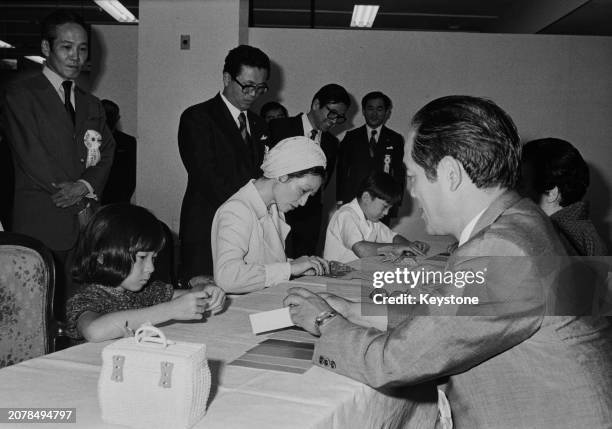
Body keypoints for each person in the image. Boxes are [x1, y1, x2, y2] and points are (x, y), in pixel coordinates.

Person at [285, 96, 612, 427]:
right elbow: (458, 317)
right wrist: (356, 310)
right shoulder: (519, 220)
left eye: (412, 176)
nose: (410, 192)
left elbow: (393, 362)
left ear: (450, 173)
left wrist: (326, 321)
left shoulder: (500, 248)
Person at [1, 9, 115, 320]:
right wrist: (76, 197)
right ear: (46, 48)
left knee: (80, 310)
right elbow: (32, 155)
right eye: (66, 47)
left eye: (82, 49)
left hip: (85, 226)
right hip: (42, 221)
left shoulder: (92, 104)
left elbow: (106, 152)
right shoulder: (21, 95)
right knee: (36, 314)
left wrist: (86, 186)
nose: (76, 56)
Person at [66, 204, 225, 343]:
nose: (151, 268)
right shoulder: (86, 298)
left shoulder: (144, 292)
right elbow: (94, 331)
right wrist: (169, 310)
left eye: (153, 258)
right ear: (102, 255)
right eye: (142, 257)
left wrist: (206, 291)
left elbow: (188, 295)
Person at [178, 45, 270, 280]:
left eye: (260, 88)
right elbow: (206, 176)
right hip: (208, 230)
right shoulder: (197, 118)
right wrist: (254, 207)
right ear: (227, 78)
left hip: (249, 235)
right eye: (247, 86)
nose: (253, 95)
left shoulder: (260, 125)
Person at [212, 136, 330, 294]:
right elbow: (227, 278)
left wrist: (302, 265)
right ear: (283, 175)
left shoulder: (273, 209)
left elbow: (265, 264)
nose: (303, 202)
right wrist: (289, 268)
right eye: (303, 191)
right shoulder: (236, 210)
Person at [268, 84, 351, 258]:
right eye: (332, 113)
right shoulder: (279, 128)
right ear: (315, 104)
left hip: (310, 218)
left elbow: (323, 184)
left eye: (340, 117)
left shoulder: (331, 143)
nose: (334, 121)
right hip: (275, 213)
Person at [520, 138, 607, 256]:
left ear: (551, 193)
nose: (515, 192)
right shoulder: (585, 232)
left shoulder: (554, 238)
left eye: (522, 185)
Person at [324, 171, 429, 263]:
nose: (387, 213)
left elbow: (393, 237)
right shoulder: (346, 215)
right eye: (384, 207)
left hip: (356, 274)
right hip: (337, 279)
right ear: (366, 197)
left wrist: (410, 245)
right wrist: (396, 248)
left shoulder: (372, 221)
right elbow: (361, 249)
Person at [336, 91, 405, 225]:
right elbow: (341, 172)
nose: (374, 114)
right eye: (370, 108)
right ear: (363, 111)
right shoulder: (351, 137)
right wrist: (340, 199)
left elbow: (399, 173)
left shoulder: (395, 139)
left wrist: (395, 202)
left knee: (379, 241)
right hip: (354, 200)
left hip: (382, 201)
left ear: (387, 112)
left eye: (379, 109)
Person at [100, 99, 137, 205]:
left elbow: (131, 177)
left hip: (119, 200)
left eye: (110, 115)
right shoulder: (88, 140)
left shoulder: (128, 142)